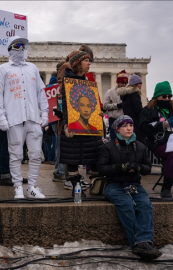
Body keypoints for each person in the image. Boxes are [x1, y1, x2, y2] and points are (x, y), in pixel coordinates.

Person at [0, 36, 49, 199]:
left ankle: (32, 186)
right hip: (14, 118)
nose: (21, 48)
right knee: (15, 154)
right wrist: (1, 116)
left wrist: (44, 112)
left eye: (23, 45)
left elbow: (40, 92)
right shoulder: (3, 69)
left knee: (36, 153)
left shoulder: (33, 68)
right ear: (10, 48)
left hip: (33, 117)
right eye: (17, 45)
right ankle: (18, 186)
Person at [98, 115, 162, 261]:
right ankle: (140, 244)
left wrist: (138, 167)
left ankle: (143, 243)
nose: (128, 128)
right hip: (114, 185)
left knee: (145, 205)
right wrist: (121, 167)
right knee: (126, 205)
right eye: (125, 125)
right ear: (117, 129)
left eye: (131, 125)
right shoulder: (107, 147)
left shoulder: (140, 146)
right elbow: (101, 169)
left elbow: (148, 168)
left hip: (134, 184)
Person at [60, 50, 103, 197]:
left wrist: (98, 113)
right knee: (73, 159)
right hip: (73, 126)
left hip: (89, 127)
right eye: (86, 61)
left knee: (95, 154)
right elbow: (66, 106)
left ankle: (96, 185)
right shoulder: (68, 82)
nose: (89, 63)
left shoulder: (87, 81)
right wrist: (66, 124)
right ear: (78, 64)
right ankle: (76, 187)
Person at [139, 81, 173, 198]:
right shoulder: (148, 110)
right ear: (157, 97)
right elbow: (143, 128)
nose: (167, 99)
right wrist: (162, 125)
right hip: (157, 142)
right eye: (164, 96)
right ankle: (166, 188)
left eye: (169, 96)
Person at [117, 74, 145, 144]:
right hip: (136, 122)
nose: (141, 86)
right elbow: (138, 109)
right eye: (140, 84)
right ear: (137, 84)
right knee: (140, 143)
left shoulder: (125, 95)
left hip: (128, 121)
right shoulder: (135, 94)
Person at [103, 70, 126, 140]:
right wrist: (117, 105)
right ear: (118, 82)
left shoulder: (127, 92)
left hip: (125, 120)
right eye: (122, 83)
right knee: (115, 141)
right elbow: (105, 106)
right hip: (114, 120)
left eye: (125, 83)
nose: (124, 85)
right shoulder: (110, 92)